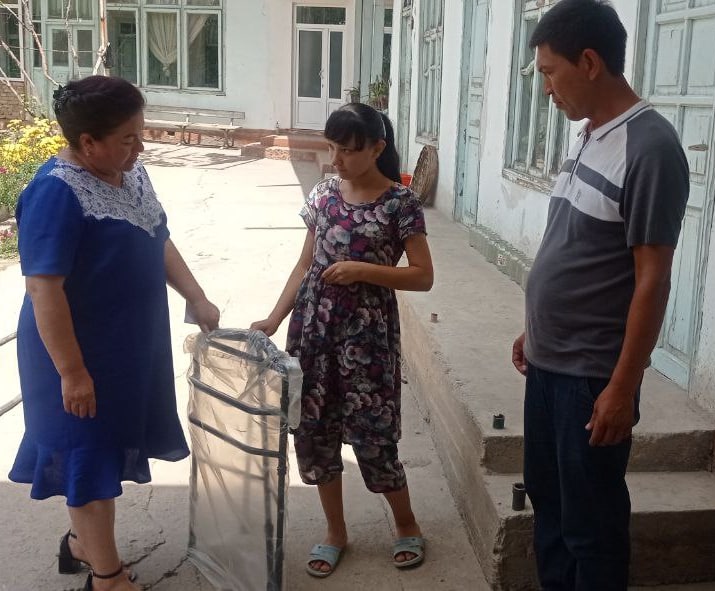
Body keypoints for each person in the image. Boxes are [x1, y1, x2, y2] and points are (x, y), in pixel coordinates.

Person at [8, 76, 220, 591]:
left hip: (127, 348)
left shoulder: (131, 174)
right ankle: (107, 578)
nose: (139, 148)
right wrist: (72, 372)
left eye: (139, 134)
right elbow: (43, 289)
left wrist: (195, 296)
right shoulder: (55, 192)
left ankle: (82, 545)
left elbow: (157, 238)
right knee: (86, 459)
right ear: (88, 143)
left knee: (101, 456)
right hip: (74, 355)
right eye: (128, 139)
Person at [510, 1, 690, 589]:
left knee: (591, 525)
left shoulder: (650, 148)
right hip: (549, 363)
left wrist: (622, 387)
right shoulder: (589, 134)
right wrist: (536, 329)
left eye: (549, 72)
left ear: (589, 62)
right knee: (550, 506)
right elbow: (575, 246)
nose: (546, 89)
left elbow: (652, 280)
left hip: (590, 377)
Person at [251, 103, 433, 578]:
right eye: (332, 148)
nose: (336, 160)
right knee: (315, 434)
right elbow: (304, 264)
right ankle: (336, 531)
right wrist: (274, 317)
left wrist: (363, 271)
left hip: (367, 339)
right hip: (314, 332)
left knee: (374, 436)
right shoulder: (325, 194)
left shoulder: (400, 203)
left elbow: (423, 276)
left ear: (377, 148)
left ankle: (406, 524)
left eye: (348, 151)